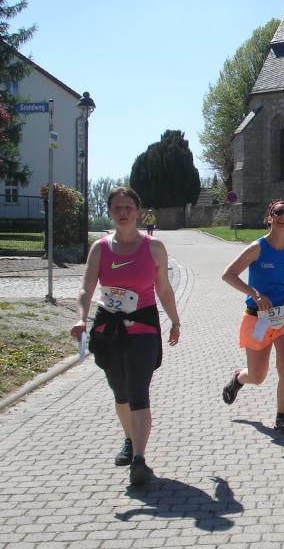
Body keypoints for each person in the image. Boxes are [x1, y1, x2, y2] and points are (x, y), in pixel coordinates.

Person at [70, 187, 181, 486]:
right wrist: (80, 317)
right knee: (120, 392)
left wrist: (175, 321)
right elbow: (86, 288)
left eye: (128, 207)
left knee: (138, 390)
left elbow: (164, 289)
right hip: (108, 329)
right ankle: (130, 440)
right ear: (110, 212)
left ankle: (139, 460)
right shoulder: (100, 248)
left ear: (138, 212)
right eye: (117, 208)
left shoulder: (154, 247)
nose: (123, 212)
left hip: (144, 328)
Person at [220, 199, 284, 434]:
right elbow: (228, 275)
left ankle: (282, 417)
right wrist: (254, 293)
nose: (282, 217)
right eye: (277, 212)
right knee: (257, 376)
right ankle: (239, 379)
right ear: (269, 217)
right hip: (257, 319)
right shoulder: (257, 248)